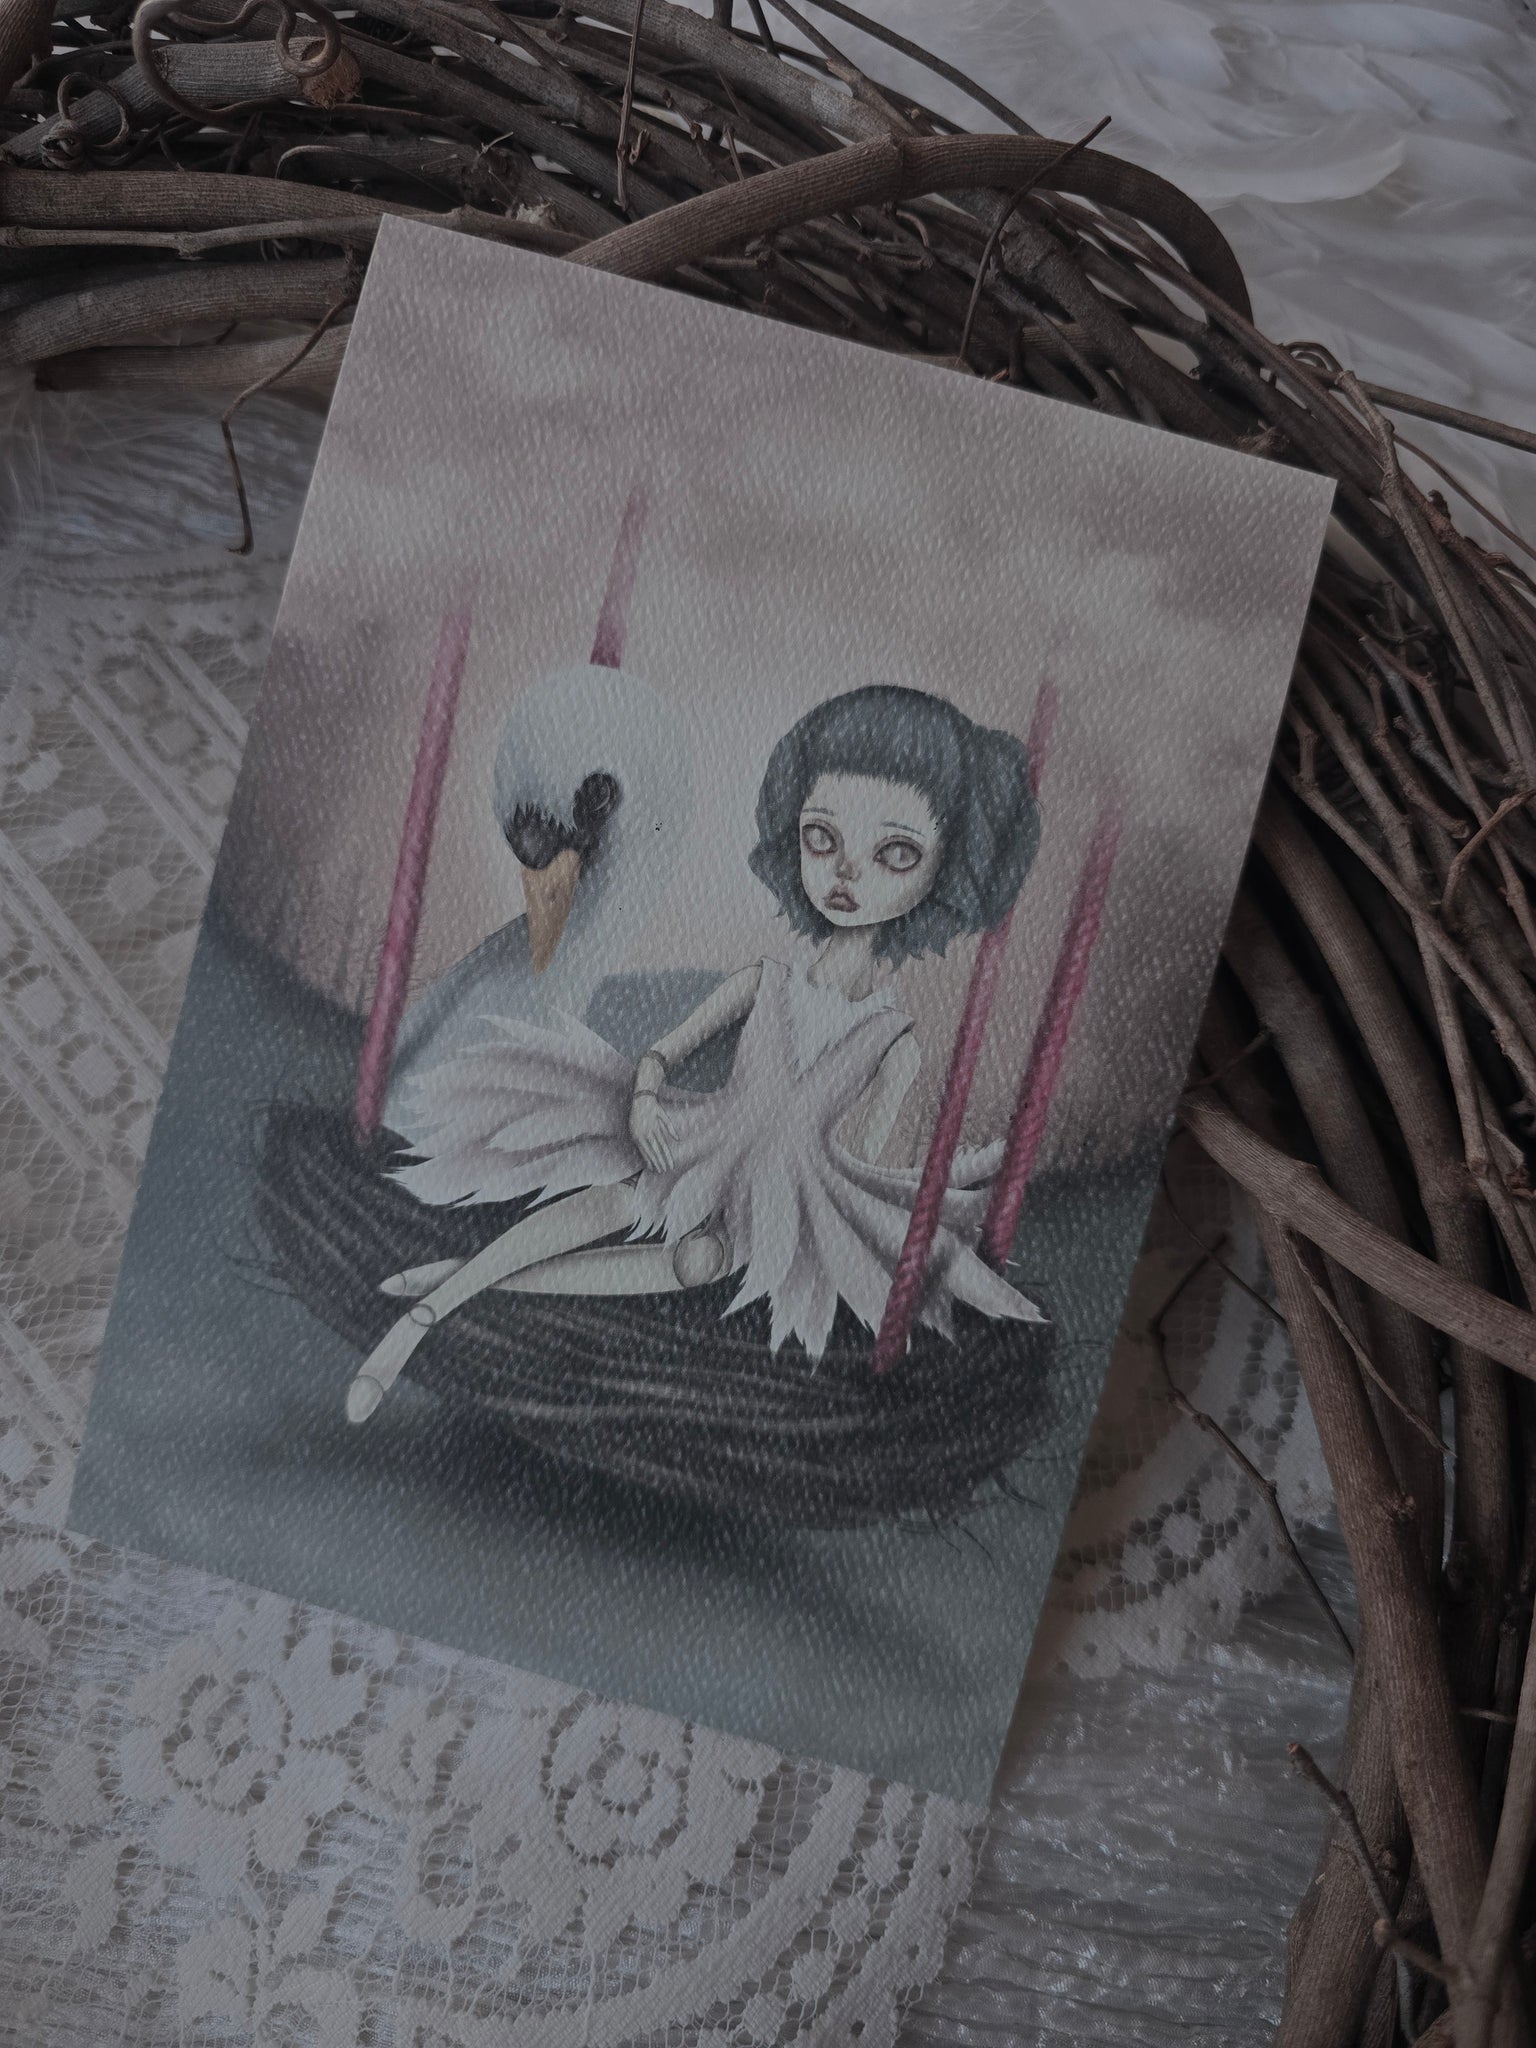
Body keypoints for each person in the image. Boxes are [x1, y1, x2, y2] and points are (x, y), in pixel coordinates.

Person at [346, 683, 1047, 1422]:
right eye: (821, 838)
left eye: (896, 854)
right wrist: (647, 1094)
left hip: (782, 1191)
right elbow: (665, 1053)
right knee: (621, 1198)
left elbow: (857, 1160)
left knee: (693, 1261)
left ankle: (450, 1287)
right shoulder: (765, 981)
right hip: (700, 1138)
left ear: (947, 871)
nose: (846, 873)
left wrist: (809, 1242)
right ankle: (431, 1308)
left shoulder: (893, 1043)